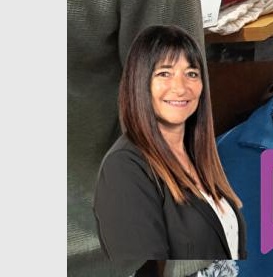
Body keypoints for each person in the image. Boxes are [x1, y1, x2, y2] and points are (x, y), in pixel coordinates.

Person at [93, 26, 245, 268]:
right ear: (140, 82)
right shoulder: (124, 168)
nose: (180, 87)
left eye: (191, 74)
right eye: (164, 73)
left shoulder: (200, 157)